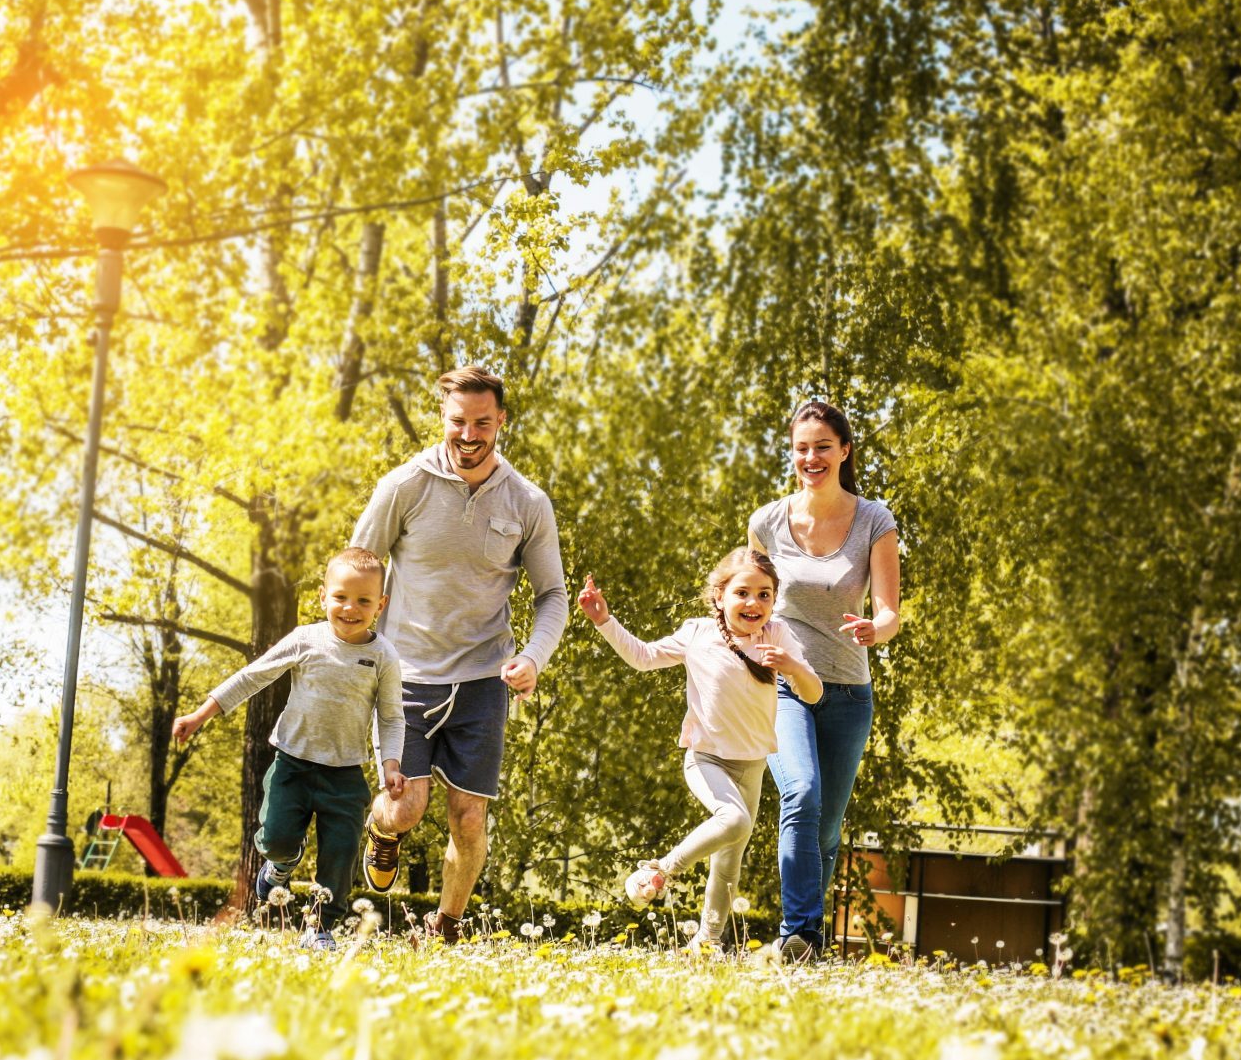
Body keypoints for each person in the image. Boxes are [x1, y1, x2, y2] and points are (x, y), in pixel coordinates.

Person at [350, 366, 569, 944]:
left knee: (469, 816)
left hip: (481, 679)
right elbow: (358, 567)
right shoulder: (403, 486)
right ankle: (384, 827)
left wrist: (534, 656)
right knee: (407, 809)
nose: (469, 435)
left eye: (482, 423)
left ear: (501, 422)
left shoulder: (527, 502)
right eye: (458, 423)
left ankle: (445, 924)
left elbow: (552, 596)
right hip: (407, 675)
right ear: (442, 419)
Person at [575, 550, 822, 952]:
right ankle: (659, 870)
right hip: (705, 758)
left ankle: (705, 944)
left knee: (727, 864)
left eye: (765, 595)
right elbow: (642, 657)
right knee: (735, 820)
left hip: (751, 765)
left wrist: (794, 667)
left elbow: (814, 694)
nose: (753, 604)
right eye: (742, 592)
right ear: (720, 595)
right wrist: (604, 620)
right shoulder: (698, 633)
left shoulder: (777, 636)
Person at [171, 547, 407, 949]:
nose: (350, 608)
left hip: (345, 773)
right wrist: (200, 714)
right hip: (292, 764)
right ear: (322, 596)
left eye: (364, 601)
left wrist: (391, 763)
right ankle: (280, 865)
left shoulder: (383, 656)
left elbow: (391, 716)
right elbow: (251, 677)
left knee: (342, 854)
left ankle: (321, 928)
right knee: (277, 838)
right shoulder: (305, 639)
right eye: (340, 597)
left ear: (380, 605)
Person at [748, 399, 901, 961]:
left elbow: (890, 613)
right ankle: (801, 934)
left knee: (828, 828)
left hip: (846, 691)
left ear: (844, 451)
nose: (810, 457)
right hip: (783, 682)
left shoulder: (873, 520)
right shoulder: (766, 521)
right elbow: (746, 596)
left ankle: (805, 943)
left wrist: (873, 629)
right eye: (801, 448)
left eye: (822, 447)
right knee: (801, 793)